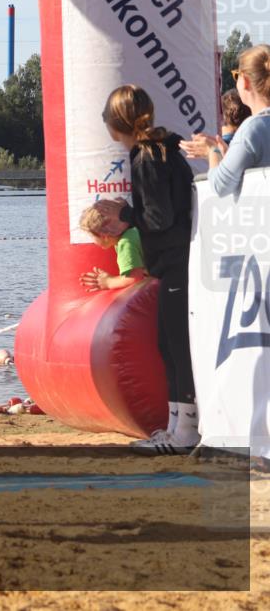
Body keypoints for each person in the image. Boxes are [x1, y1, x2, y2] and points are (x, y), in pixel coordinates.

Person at [94, 85, 198, 454]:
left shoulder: (146, 156)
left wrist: (123, 214)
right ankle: (175, 427)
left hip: (175, 263)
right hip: (178, 261)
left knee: (176, 347)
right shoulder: (163, 149)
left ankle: (185, 432)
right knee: (167, 344)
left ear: (114, 125)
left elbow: (158, 217)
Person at [180, 44, 270, 196]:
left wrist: (212, 152)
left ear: (246, 81)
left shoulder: (252, 128)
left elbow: (221, 186)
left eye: (236, 75)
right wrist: (229, 156)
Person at [77, 204, 146, 292]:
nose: (93, 241)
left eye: (92, 237)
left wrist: (108, 282)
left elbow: (135, 279)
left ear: (104, 235)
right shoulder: (133, 232)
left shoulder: (125, 243)